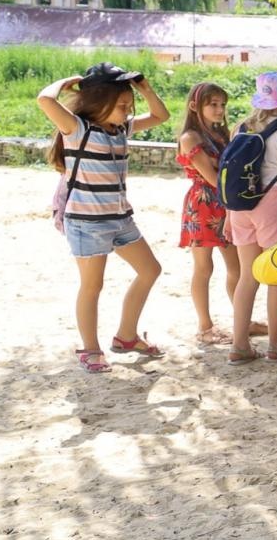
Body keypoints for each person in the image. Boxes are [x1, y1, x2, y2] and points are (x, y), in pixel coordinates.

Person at [39, 63, 170, 372]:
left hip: (121, 219)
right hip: (87, 222)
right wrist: (68, 81)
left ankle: (126, 336)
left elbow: (161, 116)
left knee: (150, 270)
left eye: (129, 105)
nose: (127, 111)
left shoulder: (121, 129)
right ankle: (90, 348)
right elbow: (45, 100)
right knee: (92, 286)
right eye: (122, 105)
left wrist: (146, 88)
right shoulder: (77, 129)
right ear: (99, 103)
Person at [225, 71, 277, 365]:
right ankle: (274, 345)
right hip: (272, 205)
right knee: (276, 277)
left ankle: (239, 345)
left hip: (239, 207)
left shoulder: (240, 128)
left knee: (248, 275)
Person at [176, 82, 240, 346]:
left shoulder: (221, 133)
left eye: (222, 104)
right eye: (212, 104)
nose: (219, 110)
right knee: (204, 267)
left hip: (225, 202)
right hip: (204, 204)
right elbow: (213, 178)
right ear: (195, 106)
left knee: (237, 268)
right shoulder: (190, 137)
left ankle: (241, 318)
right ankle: (204, 326)